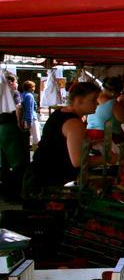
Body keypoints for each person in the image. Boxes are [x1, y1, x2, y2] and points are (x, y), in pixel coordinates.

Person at [23, 81, 102, 198]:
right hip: (47, 185)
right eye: (94, 100)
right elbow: (78, 161)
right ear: (79, 100)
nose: (97, 103)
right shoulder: (74, 123)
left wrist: (90, 144)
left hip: (39, 178)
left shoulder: (60, 113)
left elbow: (60, 144)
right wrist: (108, 158)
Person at [0, 73, 27, 202]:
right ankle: (15, 194)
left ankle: (5, 193)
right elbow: (18, 108)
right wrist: (20, 124)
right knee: (18, 164)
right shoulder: (12, 92)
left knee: (3, 164)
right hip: (8, 127)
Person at [19, 80, 40, 149]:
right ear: (29, 88)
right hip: (31, 119)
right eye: (33, 87)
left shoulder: (22, 95)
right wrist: (29, 122)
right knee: (36, 139)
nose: (34, 88)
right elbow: (29, 110)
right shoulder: (29, 96)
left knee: (27, 139)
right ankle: (37, 157)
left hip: (24, 119)